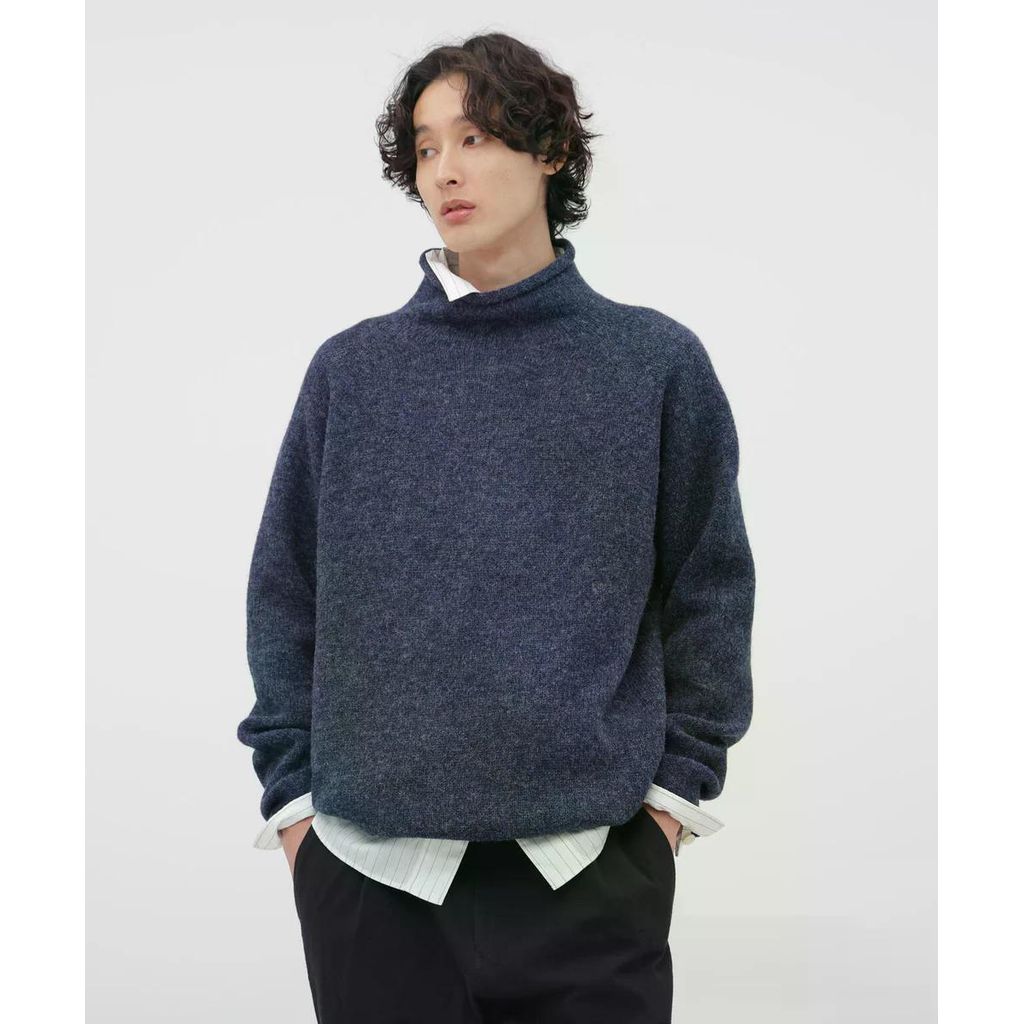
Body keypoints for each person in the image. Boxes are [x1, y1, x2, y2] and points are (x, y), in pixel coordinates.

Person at [237, 31, 755, 1024]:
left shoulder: (652, 363)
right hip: (372, 879)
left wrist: (670, 807)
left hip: (589, 869)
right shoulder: (353, 372)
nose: (445, 170)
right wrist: (296, 810)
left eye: (473, 137)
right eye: (426, 147)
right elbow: (285, 592)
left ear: (550, 150)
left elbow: (709, 590)